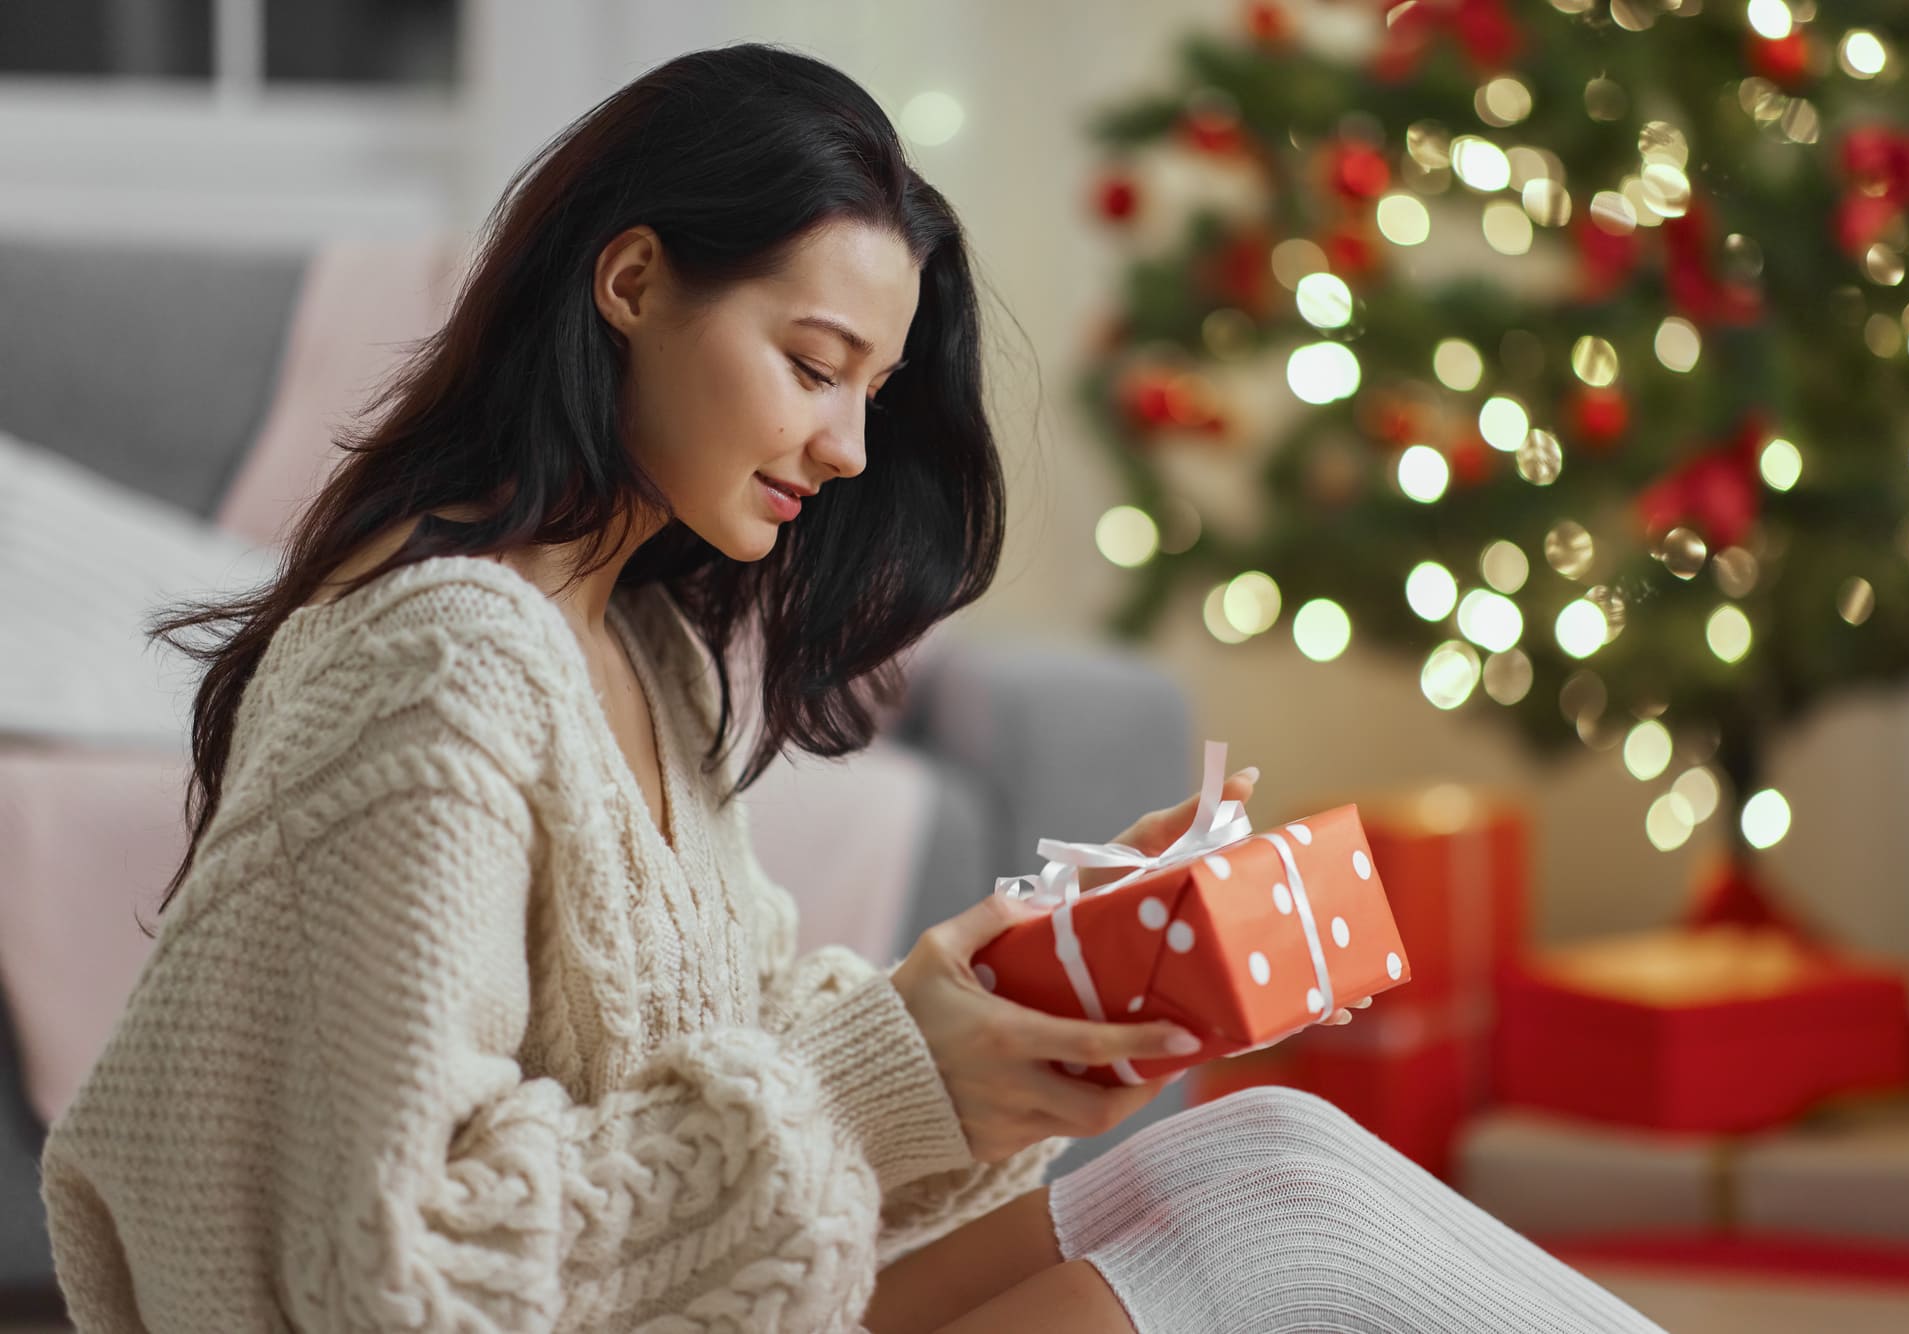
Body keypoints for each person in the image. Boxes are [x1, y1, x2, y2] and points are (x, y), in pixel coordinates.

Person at [39, 41, 1667, 1334]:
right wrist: (890, 1073)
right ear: (631, 282)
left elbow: (738, 1080)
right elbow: (390, 1272)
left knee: (1263, 1158)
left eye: (873, 388)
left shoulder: (648, 655)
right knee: (1271, 1243)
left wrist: (1009, 1016)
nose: (849, 445)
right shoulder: (441, 662)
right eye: (814, 366)